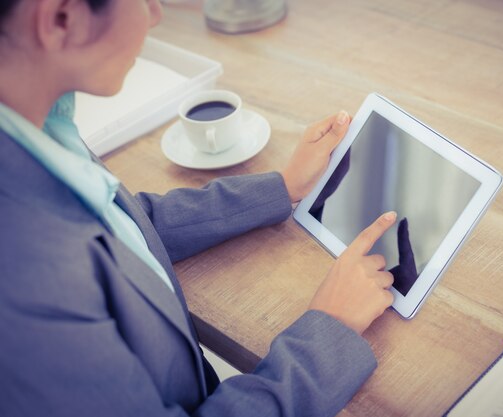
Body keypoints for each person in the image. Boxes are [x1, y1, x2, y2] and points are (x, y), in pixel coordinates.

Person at [0, 1, 397, 416]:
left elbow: (125, 223)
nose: (155, 14)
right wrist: (329, 333)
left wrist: (280, 187)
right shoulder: (26, 285)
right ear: (62, 18)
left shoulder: (34, 126)